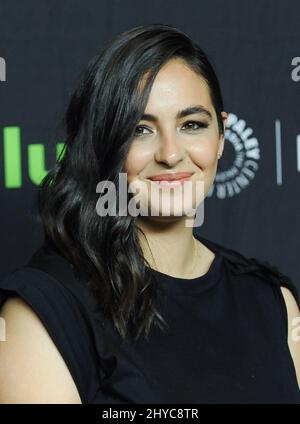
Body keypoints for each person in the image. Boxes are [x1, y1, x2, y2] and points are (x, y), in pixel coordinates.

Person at [0, 23, 299, 404]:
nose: (171, 154)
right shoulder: (45, 313)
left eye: (192, 125)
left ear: (221, 136)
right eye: (140, 130)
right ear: (104, 144)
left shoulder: (271, 301)